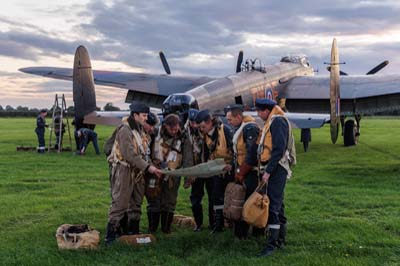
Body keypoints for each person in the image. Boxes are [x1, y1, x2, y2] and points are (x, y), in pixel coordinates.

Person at [105, 103, 163, 244]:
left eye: (146, 115)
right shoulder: (125, 130)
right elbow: (129, 154)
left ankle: (133, 232)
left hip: (138, 170)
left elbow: (143, 151)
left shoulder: (140, 130)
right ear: (135, 115)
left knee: (136, 202)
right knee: (120, 203)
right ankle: (110, 236)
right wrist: (148, 167)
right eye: (143, 115)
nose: (145, 118)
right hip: (124, 170)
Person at [255, 98, 290, 257]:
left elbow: (278, 149)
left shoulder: (277, 122)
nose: (258, 114)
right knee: (278, 203)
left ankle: (272, 245)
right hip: (275, 167)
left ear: (266, 111)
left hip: (277, 168)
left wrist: (268, 171)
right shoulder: (273, 120)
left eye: (259, 111)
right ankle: (281, 239)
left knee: (274, 207)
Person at [225, 104, 260, 239]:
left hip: (250, 172)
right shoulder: (240, 127)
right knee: (241, 200)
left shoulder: (250, 128)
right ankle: (242, 233)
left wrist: (241, 172)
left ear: (239, 116)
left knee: (248, 201)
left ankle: (252, 232)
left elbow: (252, 154)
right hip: (243, 170)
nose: (229, 122)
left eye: (230, 119)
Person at [196, 109, 233, 233]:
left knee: (231, 196)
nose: (201, 129)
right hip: (216, 170)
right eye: (200, 127)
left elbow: (236, 151)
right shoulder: (205, 135)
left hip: (229, 170)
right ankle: (218, 224)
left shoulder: (226, 131)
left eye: (203, 126)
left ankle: (231, 222)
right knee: (216, 196)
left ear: (210, 122)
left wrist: (231, 165)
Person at [147, 114, 184, 234]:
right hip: (154, 172)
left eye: (176, 128)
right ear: (165, 126)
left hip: (173, 174)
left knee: (170, 201)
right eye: (171, 129)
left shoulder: (183, 137)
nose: (174, 131)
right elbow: (146, 152)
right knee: (154, 199)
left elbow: (188, 156)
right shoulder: (154, 134)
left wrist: (189, 176)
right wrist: (150, 166)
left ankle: (166, 229)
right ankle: (152, 228)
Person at [182, 109, 213, 232]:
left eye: (196, 123)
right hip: (195, 171)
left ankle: (213, 224)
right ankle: (198, 223)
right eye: (192, 123)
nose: (195, 126)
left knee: (213, 197)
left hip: (209, 169)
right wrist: (189, 175)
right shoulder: (186, 133)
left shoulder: (208, 130)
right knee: (195, 199)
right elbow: (187, 156)